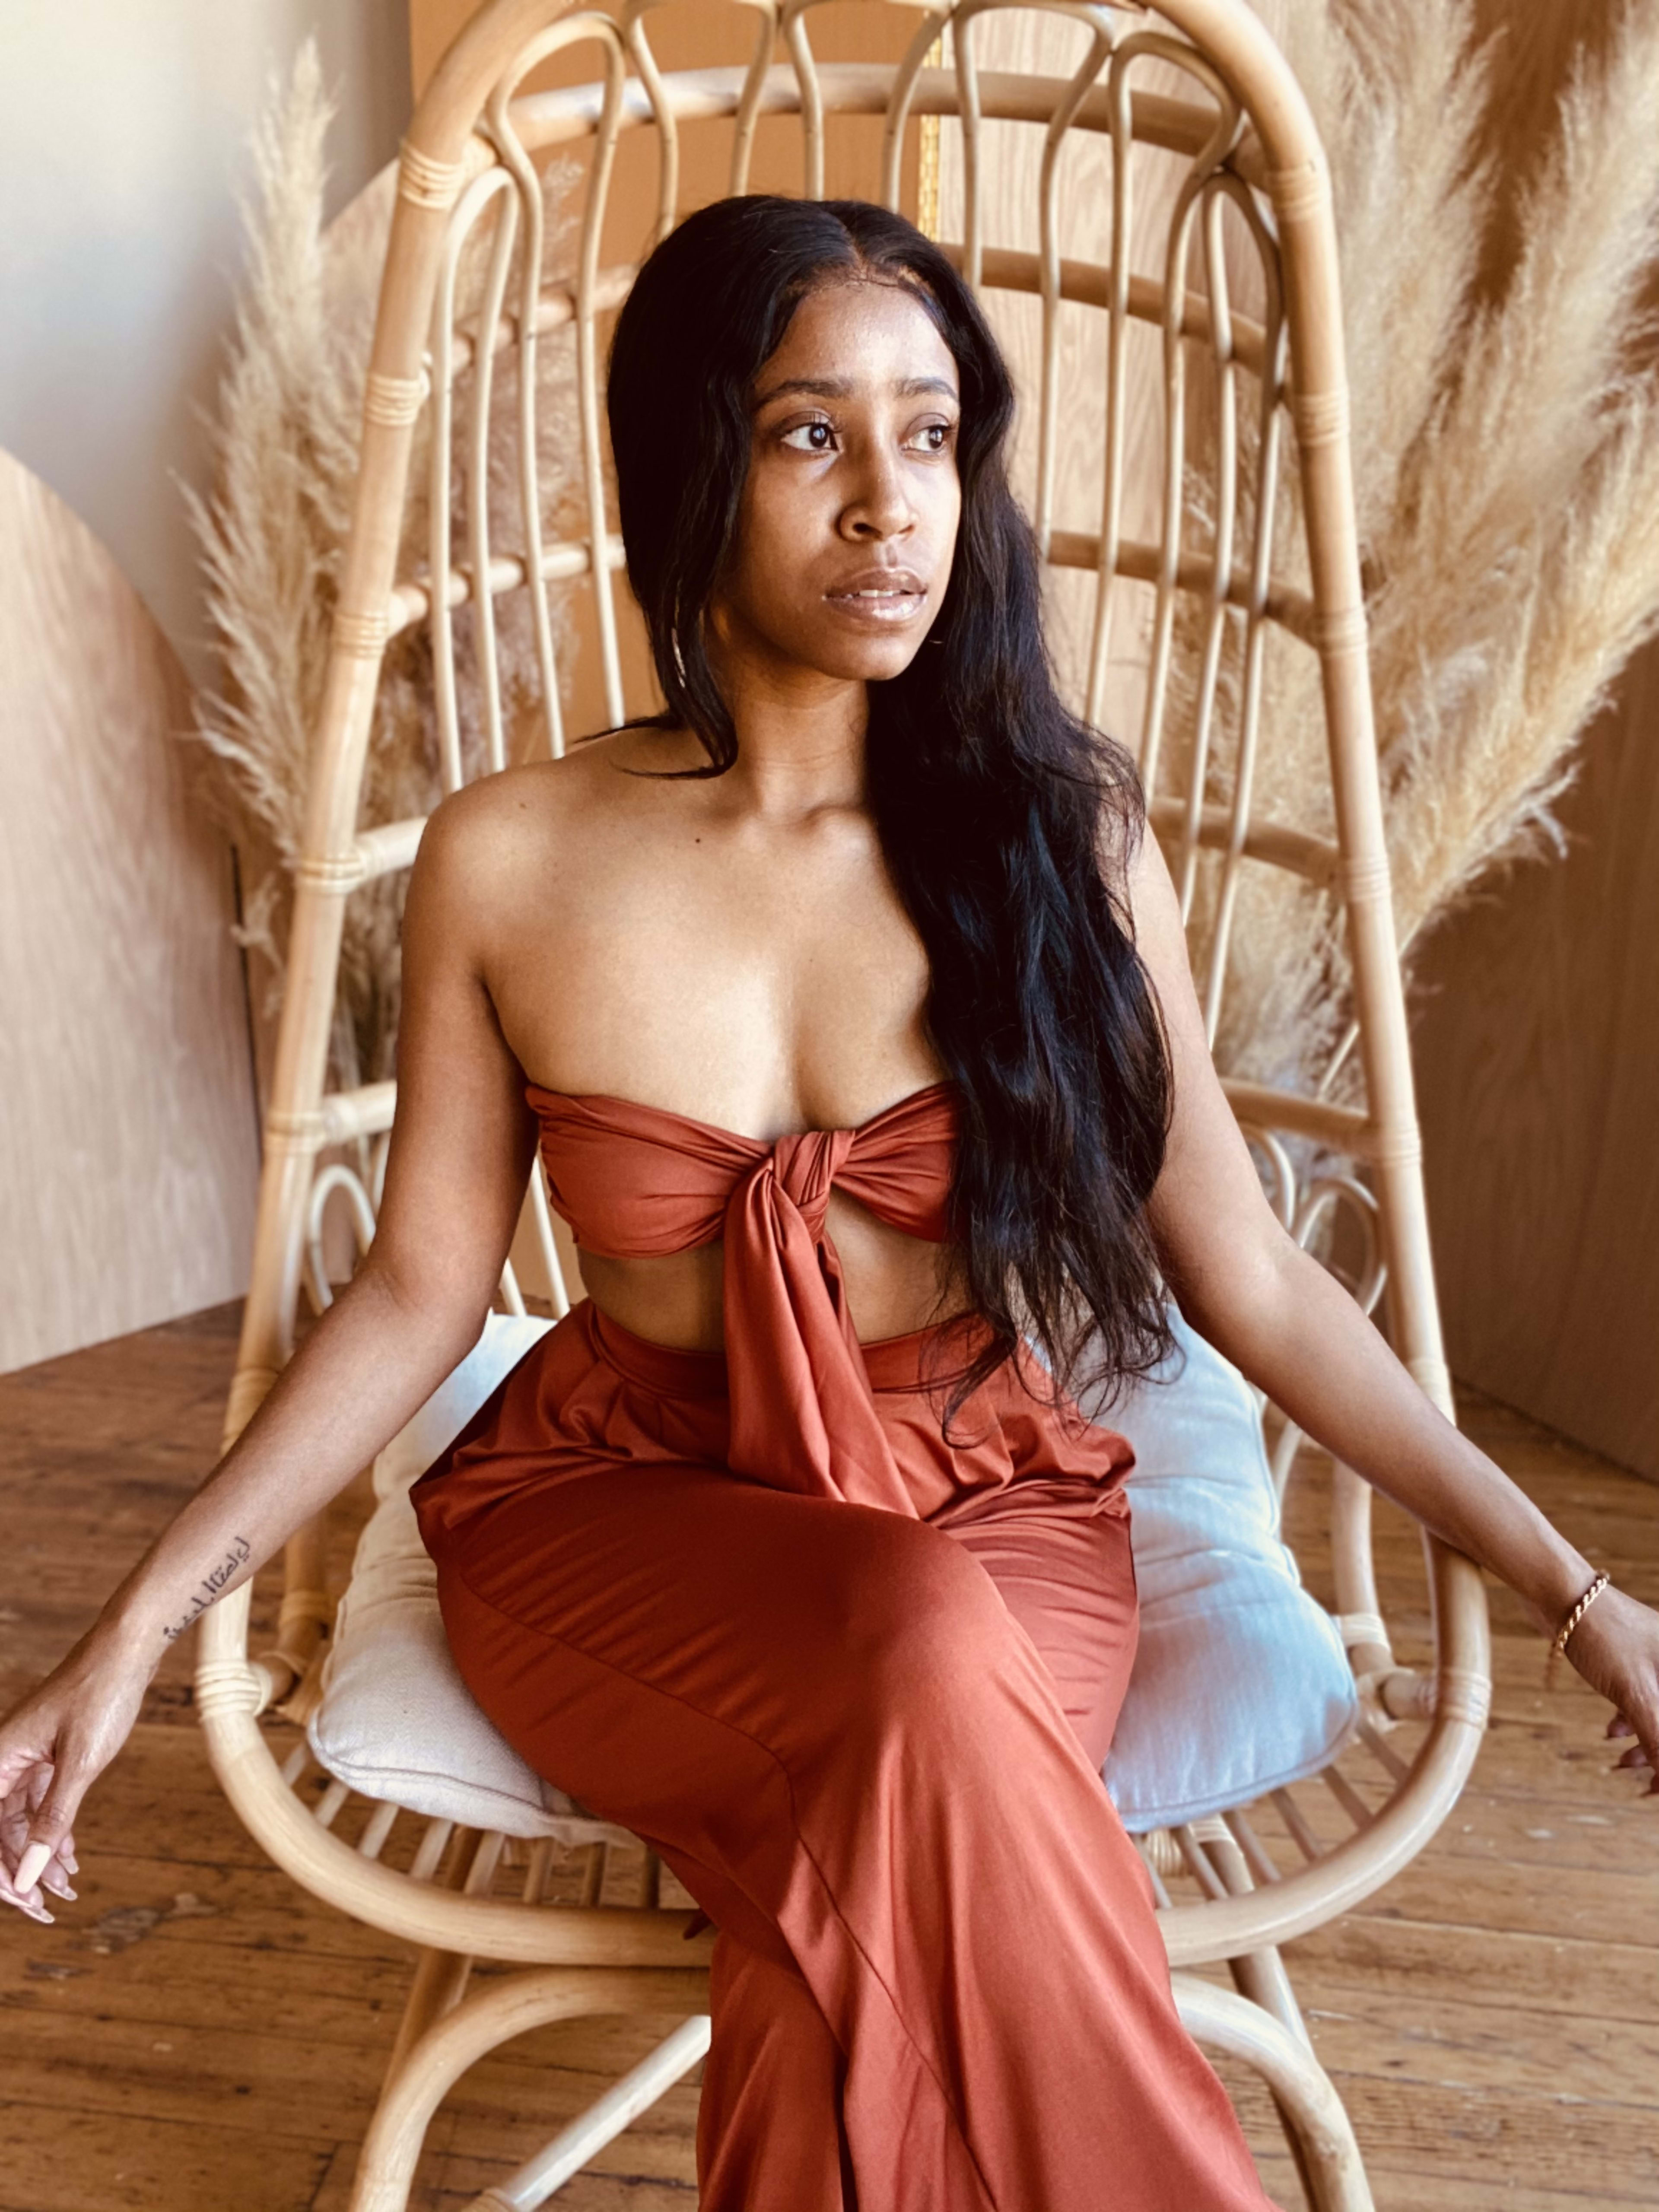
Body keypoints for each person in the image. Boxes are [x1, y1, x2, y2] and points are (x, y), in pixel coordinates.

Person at [2, 195, 1654, 2210]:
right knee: (903, 1685)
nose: (893, 502)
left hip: (988, 1512)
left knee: (849, 1886)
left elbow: (1256, 1282)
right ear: (693, 460)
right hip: (621, 1519)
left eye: (935, 434)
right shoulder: (508, 857)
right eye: (812, 434)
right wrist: (135, 1621)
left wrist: (1584, 1602)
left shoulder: (1061, 844)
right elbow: (420, 1294)